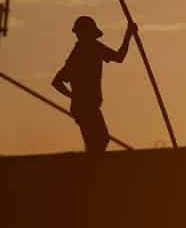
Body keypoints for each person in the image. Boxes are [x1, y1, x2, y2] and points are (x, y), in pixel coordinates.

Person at [52, 14, 135, 154]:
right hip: (85, 105)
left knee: (97, 141)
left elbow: (57, 82)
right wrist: (129, 34)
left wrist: (73, 96)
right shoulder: (91, 48)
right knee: (100, 140)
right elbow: (119, 57)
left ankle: (92, 169)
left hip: (82, 105)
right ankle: (92, 171)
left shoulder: (80, 51)